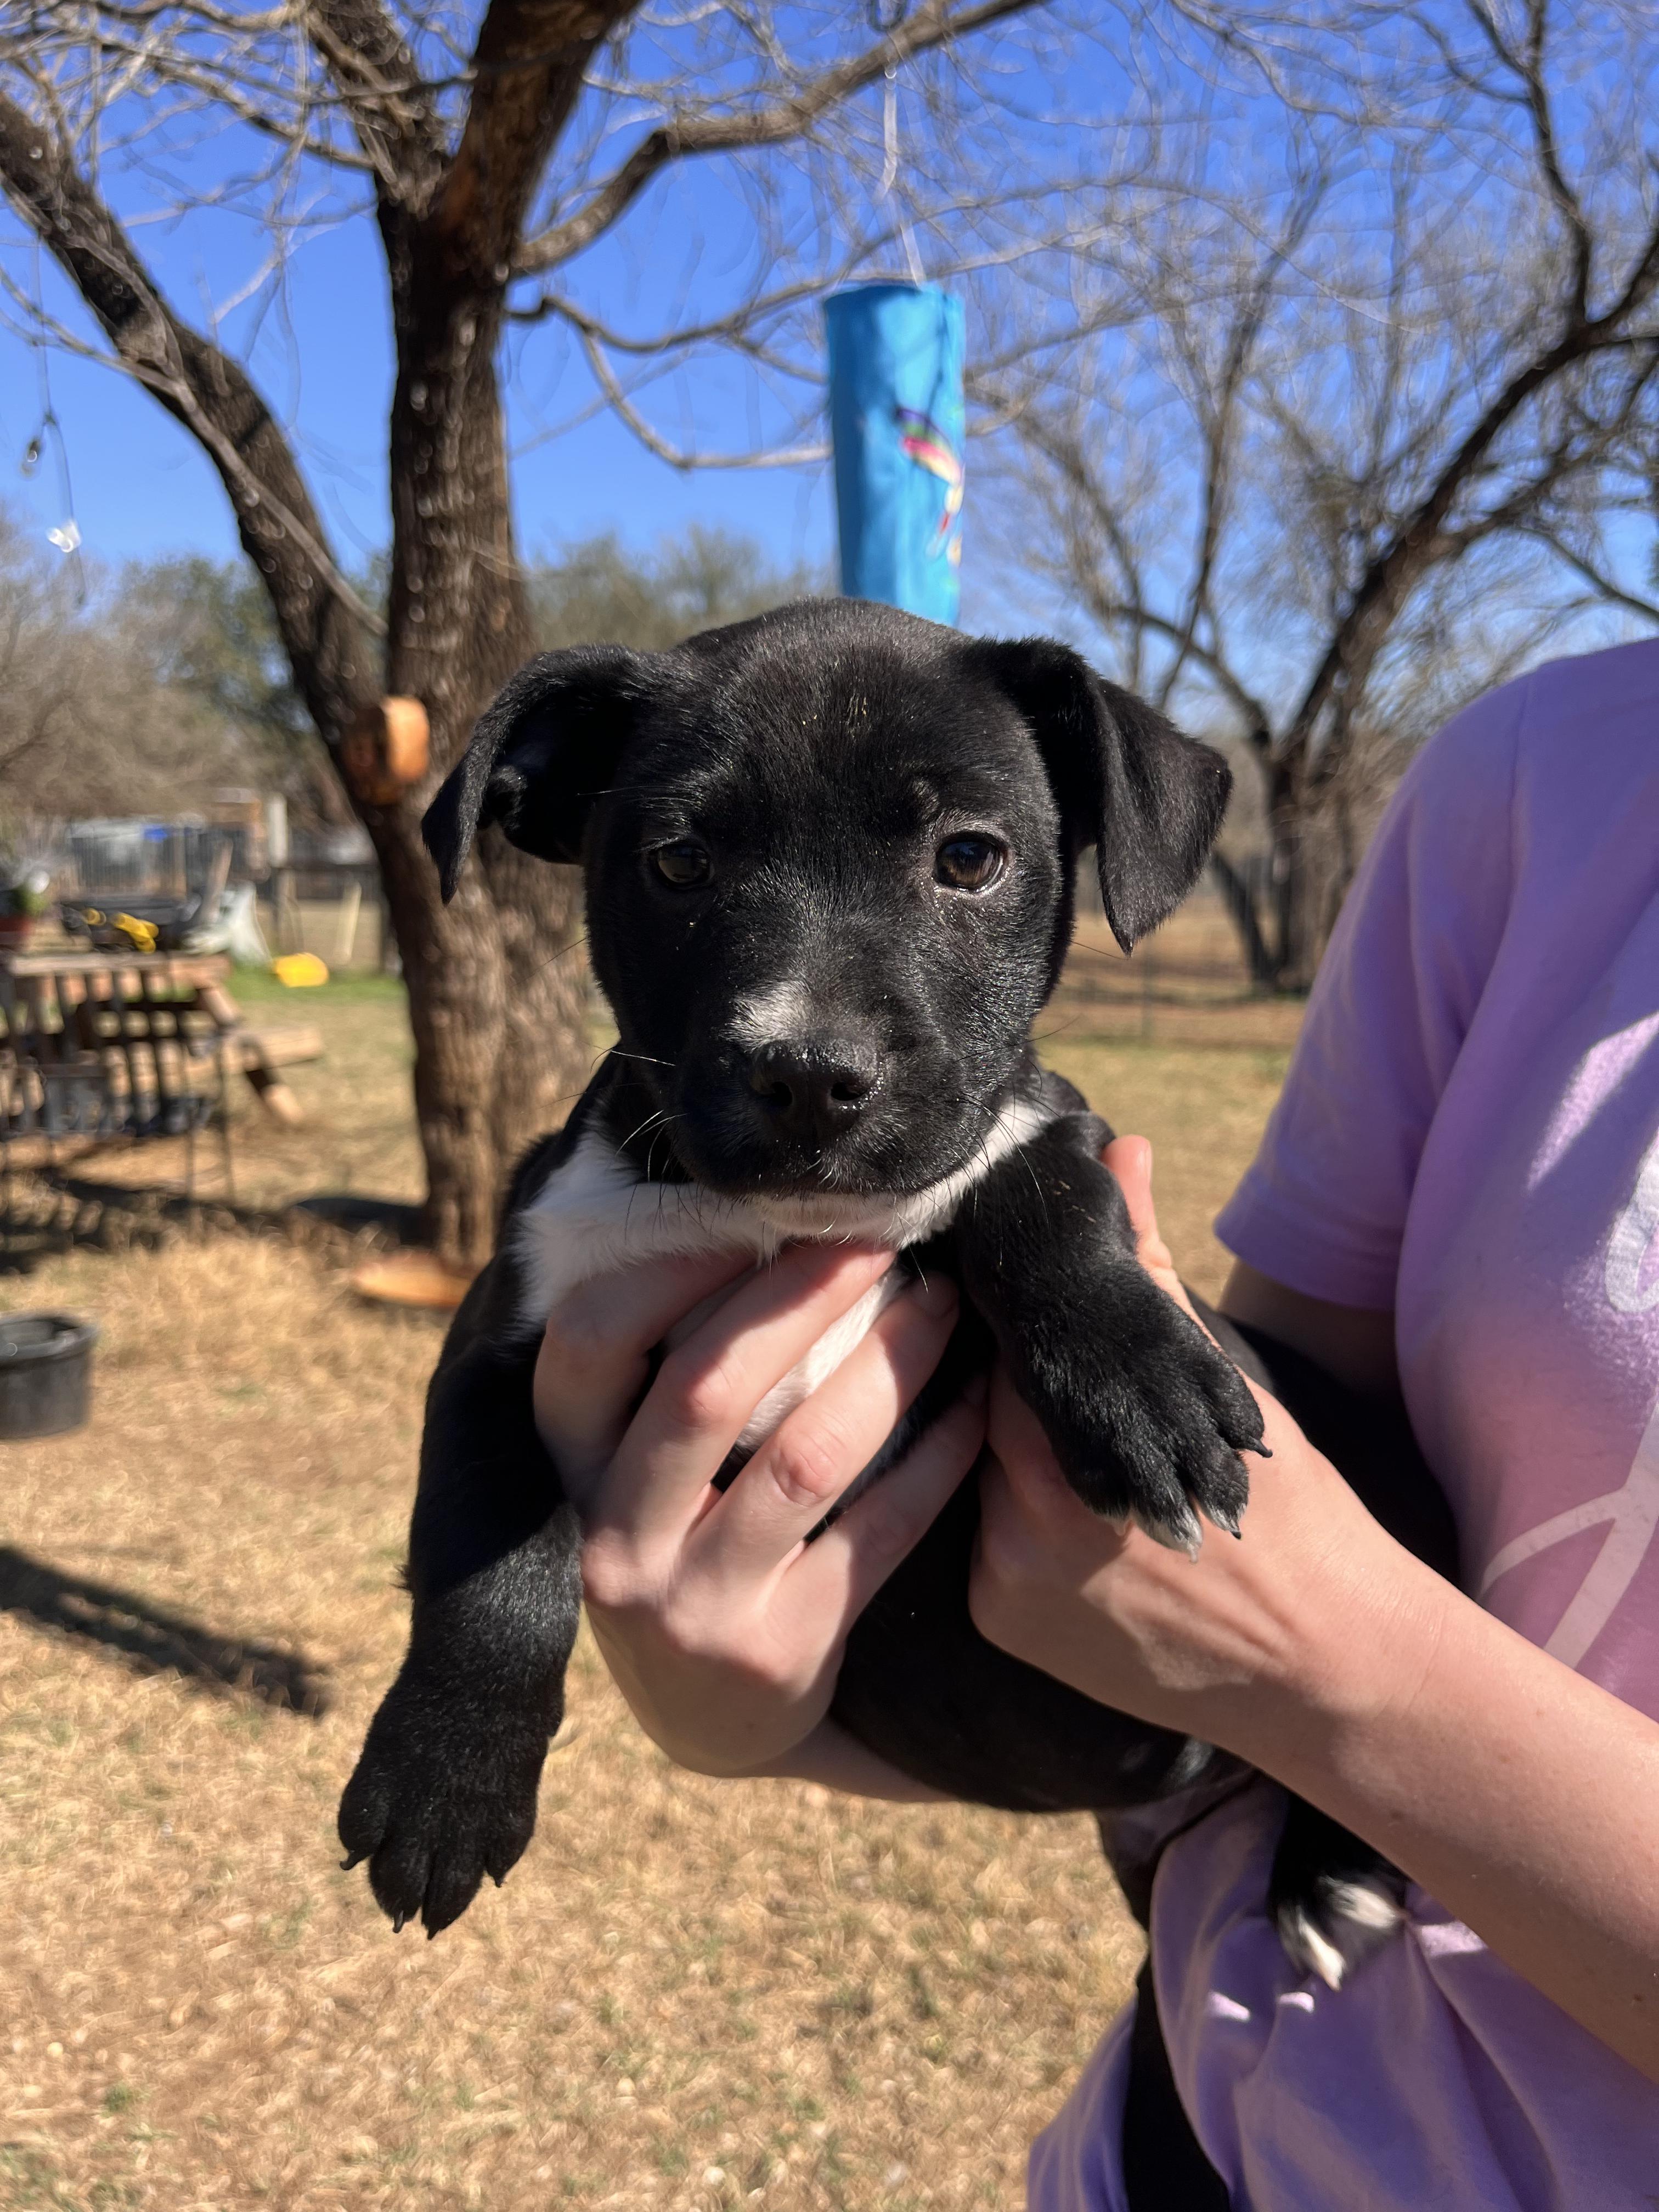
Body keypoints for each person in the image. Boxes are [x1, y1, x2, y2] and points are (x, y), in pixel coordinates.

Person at [533, 637, 1659, 2209]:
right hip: (1180, 2134)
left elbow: (1265, 1619)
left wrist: (1344, 1682)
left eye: (968, 859)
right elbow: (1257, 1457)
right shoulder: (1545, 774)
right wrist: (752, 1717)